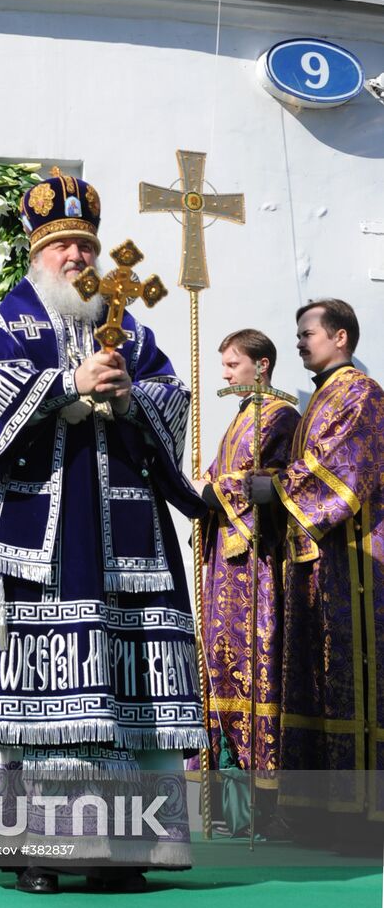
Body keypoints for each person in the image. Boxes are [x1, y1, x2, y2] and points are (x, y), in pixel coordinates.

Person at [0, 170, 208, 893]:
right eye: (63, 245)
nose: (77, 258)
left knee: (134, 695)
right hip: (43, 542)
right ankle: (38, 849)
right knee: (40, 696)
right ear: (38, 254)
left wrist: (132, 397)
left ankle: (129, 852)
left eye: (85, 245)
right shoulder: (12, 321)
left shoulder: (127, 325)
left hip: (129, 538)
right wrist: (66, 386)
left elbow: (172, 395)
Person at [249, 299, 384, 833]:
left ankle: (359, 815)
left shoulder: (362, 394)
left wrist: (278, 486)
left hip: (354, 562)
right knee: (312, 676)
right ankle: (316, 811)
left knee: (348, 675)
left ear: (341, 337)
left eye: (308, 333)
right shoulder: (324, 398)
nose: (301, 342)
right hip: (314, 562)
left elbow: (346, 469)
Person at [189, 330, 300, 831]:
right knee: (217, 666)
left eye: (233, 364)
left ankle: (264, 804)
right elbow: (217, 474)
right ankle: (222, 805)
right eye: (224, 364)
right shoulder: (239, 418)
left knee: (255, 666)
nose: (225, 374)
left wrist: (214, 489)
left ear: (263, 364)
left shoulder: (281, 417)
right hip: (224, 567)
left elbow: (272, 480)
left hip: (254, 567)